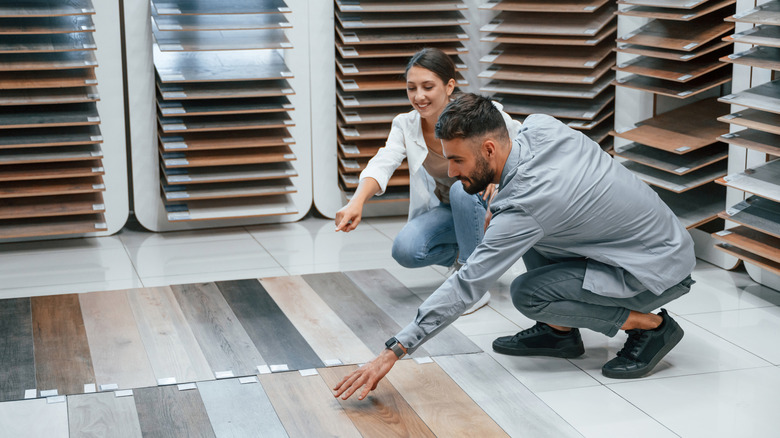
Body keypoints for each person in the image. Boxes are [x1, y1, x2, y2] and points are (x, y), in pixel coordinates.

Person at [333, 93, 696, 401]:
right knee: (522, 229)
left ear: (489, 149)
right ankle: (560, 334)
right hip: (656, 243)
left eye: (458, 160)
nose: (450, 172)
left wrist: (393, 350)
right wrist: (497, 201)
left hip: (655, 271)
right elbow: (525, 183)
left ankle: (651, 325)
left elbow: (467, 285)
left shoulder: (527, 206)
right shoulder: (540, 126)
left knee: (527, 294)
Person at [335, 48, 521, 314]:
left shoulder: (479, 114)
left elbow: (521, 142)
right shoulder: (406, 125)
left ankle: (472, 287)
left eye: (428, 87)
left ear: (449, 86)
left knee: (461, 189)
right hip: (451, 207)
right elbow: (383, 161)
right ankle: (469, 261)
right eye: (411, 88)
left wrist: (499, 175)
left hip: (490, 206)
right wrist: (357, 202)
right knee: (406, 249)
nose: (418, 96)